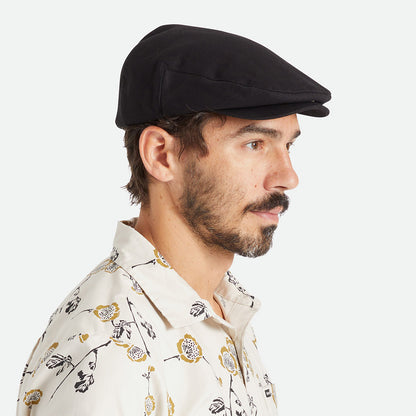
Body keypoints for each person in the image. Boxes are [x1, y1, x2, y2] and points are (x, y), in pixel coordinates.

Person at [17, 24, 331, 415]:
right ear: (161, 155)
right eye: (255, 144)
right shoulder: (108, 351)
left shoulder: (218, 308)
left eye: (288, 145)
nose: (288, 177)